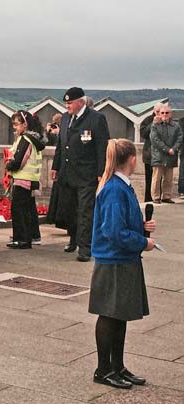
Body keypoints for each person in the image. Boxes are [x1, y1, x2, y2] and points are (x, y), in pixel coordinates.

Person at [89, 139, 155, 389]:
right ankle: (103, 369)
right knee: (110, 315)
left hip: (120, 260)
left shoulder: (118, 186)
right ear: (132, 159)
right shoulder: (116, 189)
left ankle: (117, 367)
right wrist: (142, 242)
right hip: (114, 261)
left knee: (119, 316)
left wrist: (141, 227)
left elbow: (118, 224)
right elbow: (114, 231)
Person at [51, 87, 109, 262]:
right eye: (66, 103)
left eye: (70, 103)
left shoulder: (96, 119)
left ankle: (85, 248)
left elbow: (102, 148)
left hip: (87, 174)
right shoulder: (66, 118)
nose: (67, 106)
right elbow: (61, 145)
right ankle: (73, 239)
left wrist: (101, 173)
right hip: (68, 173)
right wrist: (55, 166)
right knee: (70, 210)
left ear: (81, 102)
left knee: (85, 211)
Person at [6, 111, 44, 249]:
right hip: (31, 180)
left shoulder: (25, 140)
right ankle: (29, 236)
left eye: (16, 124)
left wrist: (9, 165)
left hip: (22, 179)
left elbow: (19, 161)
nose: (14, 128)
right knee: (28, 210)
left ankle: (21, 239)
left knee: (18, 210)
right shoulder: (35, 140)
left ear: (25, 124)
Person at [150, 104, 183, 204]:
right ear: (159, 113)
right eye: (162, 113)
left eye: (167, 113)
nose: (164, 115)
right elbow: (155, 140)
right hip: (159, 155)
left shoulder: (176, 126)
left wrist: (174, 148)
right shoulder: (155, 125)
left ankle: (166, 196)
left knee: (168, 178)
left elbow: (180, 138)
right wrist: (167, 149)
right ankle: (155, 197)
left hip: (171, 156)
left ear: (170, 114)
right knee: (156, 178)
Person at [140, 103, 162, 202]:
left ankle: (158, 197)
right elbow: (143, 134)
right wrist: (152, 124)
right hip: (149, 155)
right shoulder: (147, 120)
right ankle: (148, 200)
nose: (159, 114)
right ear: (154, 110)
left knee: (159, 180)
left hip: (161, 155)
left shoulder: (165, 120)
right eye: (157, 112)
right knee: (149, 180)